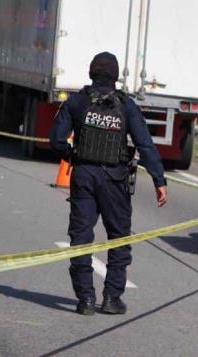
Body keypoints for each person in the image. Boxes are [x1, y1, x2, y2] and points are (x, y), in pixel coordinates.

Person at [50, 52, 167, 316]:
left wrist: (73, 157)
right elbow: (145, 145)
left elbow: (56, 140)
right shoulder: (126, 106)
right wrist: (160, 180)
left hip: (84, 176)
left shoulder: (77, 102)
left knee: (81, 238)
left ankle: (85, 299)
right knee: (118, 238)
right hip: (115, 180)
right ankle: (112, 298)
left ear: (91, 73)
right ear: (115, 77)